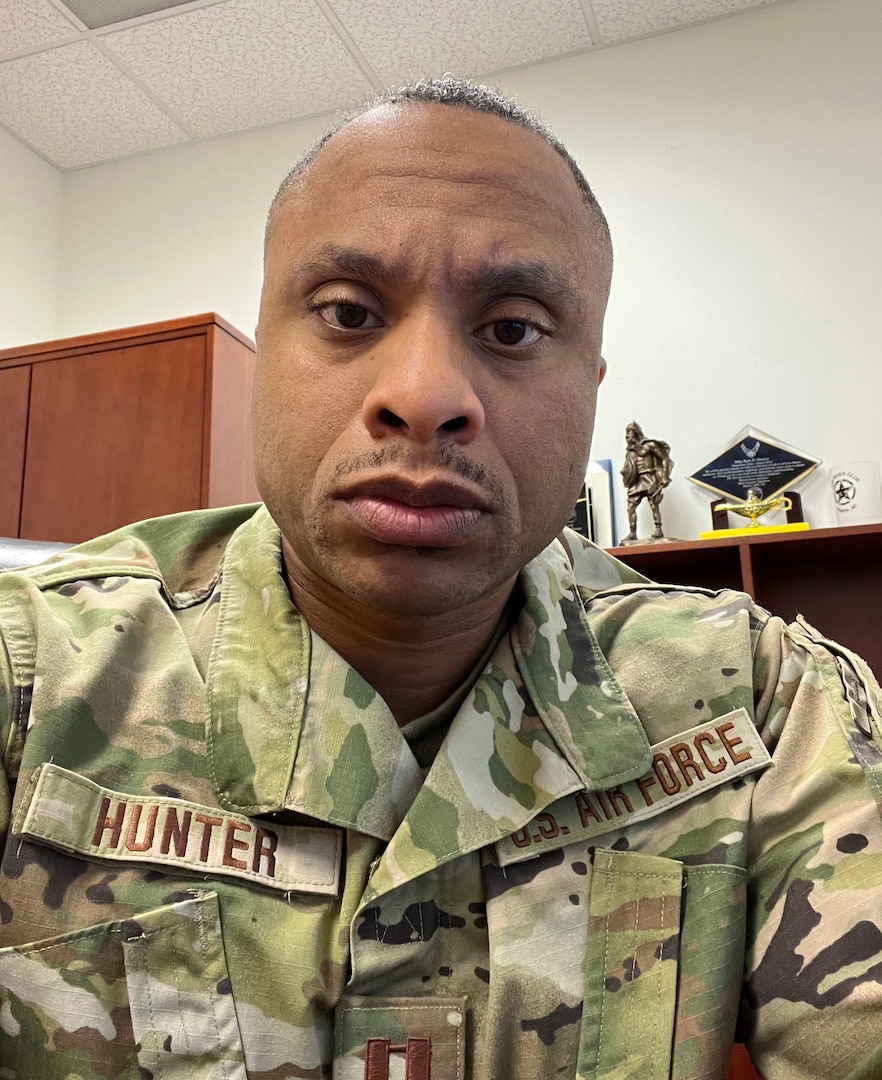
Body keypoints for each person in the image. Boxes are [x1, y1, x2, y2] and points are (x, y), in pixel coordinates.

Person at [1, 77, 881, 1080]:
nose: (422, 398)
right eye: (346, 312)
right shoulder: (30, 683)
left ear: (593, 394)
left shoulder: (763, 704)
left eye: (512, 329)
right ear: (269, 351)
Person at [620, 420, 673, 541]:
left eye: (629, 432)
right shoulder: (630, 452)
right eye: (626, 432)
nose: (627, 435)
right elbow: (629, 468)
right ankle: (632, 532)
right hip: (637, 482)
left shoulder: (649, 445)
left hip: (649, 478)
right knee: (630, 507)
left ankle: (658, 529)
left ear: (636, 433)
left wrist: (664, 476)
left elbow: (665, 459)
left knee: (654, 504)